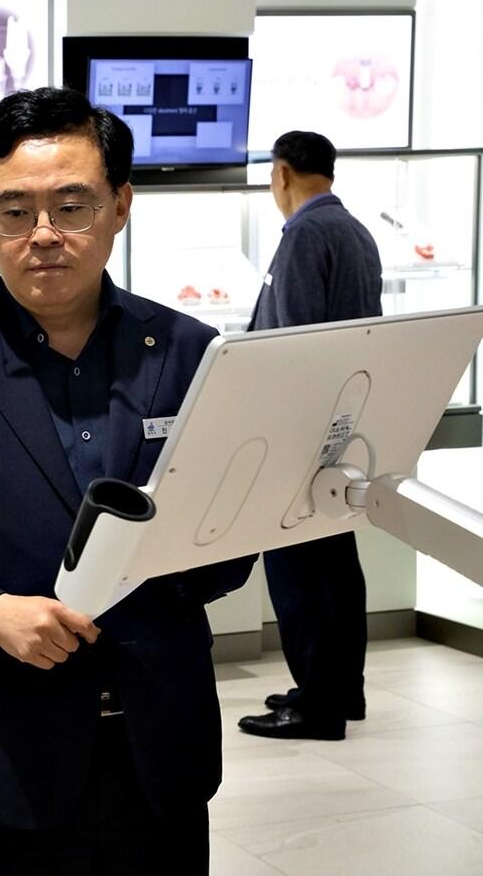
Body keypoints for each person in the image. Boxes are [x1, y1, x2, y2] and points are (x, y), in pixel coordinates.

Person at [0, 86, 255, 875]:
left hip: (160, 752)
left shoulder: (191, 352)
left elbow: (231, 537)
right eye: (14, 211)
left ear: (120, 204)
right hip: (1, 756)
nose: (43, 235)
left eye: (71, 206)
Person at [238, 130, 380, 741]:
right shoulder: (355, 231)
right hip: (342, 425)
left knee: (297, 567)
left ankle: (317, 707)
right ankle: (342, 690)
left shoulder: (303, 235)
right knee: (336, 566)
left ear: (282, 174)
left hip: (300, 432)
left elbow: (295, 341)